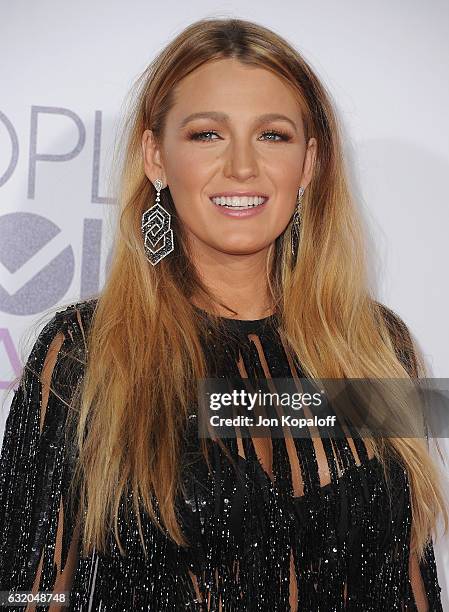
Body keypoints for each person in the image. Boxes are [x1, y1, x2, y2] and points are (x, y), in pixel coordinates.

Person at [0, 17, 447, 612]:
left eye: (273, 136)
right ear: (156, 157)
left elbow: (409, 582)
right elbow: (24, 589)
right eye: (208, 134)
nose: (242, 167)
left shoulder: (377, 346)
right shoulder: (85, 351)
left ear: (309, 163)